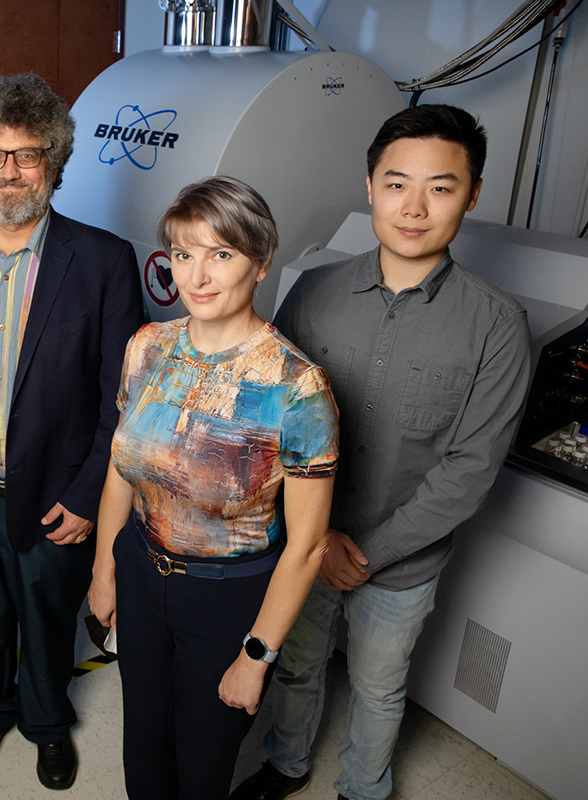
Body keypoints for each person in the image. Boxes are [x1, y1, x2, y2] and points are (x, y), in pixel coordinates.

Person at [231, 105, 532, 800]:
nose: (415, 207)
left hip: (402, 562)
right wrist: (317, 537)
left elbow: (469, 472)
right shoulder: (314, 290)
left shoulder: (497, 326)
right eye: (397, 184)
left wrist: (359, 549)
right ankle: (287, 761)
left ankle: (362, 788)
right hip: (307, 540)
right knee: (300, 662)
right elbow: (269, 414)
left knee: (377, 685)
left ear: (473, 195)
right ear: (369, 186)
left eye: (442, 187)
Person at [0, 72, 144, 790]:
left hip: (55, 493)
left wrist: (86, 497)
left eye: (28, 154)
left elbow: (121, 401)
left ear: (55, 162)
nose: (9, 172)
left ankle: (45, 724)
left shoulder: (103, 261)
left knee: (45, 620)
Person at [88, 176, 338, 799]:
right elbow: (122, 465)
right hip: (142, 571)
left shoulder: (297, 387)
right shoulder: (149, 347)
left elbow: (307, 546)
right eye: (183, 254)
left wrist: (257, 656)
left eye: (221, 254)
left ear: (260, 261)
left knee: (202, 767)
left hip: (228, 597)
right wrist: (103, 570)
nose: (197, 275)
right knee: (143, 746)